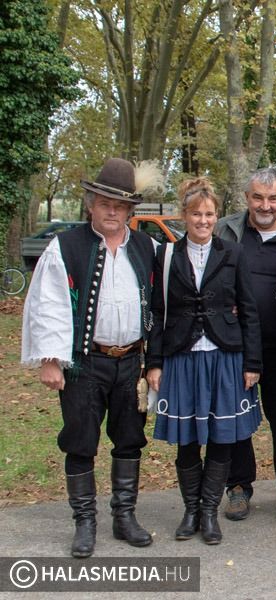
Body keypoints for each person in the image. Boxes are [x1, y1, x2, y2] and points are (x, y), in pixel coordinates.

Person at [22, 158, 159, 557]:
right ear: (91, 205)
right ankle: (84, 522)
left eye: (119, 206)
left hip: (132, 362)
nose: (112, 211)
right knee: (81, 441)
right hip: (84, 363)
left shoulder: (147, 247)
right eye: (104, 203)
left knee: (129, 438)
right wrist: (50, 358)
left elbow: (166, 303)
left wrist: (155, 360)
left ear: (130, 210)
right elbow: (48, 304)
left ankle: (124, 516)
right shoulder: (65, 246)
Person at [146, 177, 263, 545]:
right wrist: (154, 362)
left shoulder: (233, 253)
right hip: (181, 356)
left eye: (209, 214)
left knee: (221, 436)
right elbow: (156, 311)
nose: (203, 221)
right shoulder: (166, 256)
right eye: (196, 214)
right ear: (184, 215)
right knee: (187, 439)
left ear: (217, 216)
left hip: (224, 356)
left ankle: (211, 511)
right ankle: (191, 510)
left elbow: (248, 311)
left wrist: (252, 363)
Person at [214, 167, 276, 521]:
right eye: (258, 197)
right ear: (247, 199)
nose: (265, 205)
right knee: (237, 418)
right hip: (236, 347)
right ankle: (238, 486)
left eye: (272, 198)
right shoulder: (227, 230)